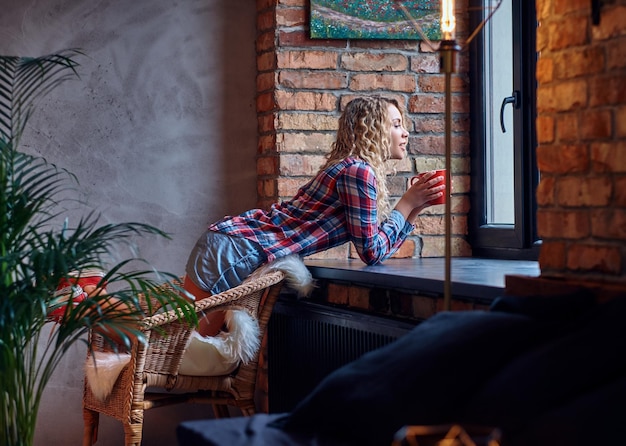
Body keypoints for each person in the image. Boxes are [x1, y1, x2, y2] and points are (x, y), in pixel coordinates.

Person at [184, 96, 445, 337]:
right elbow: (371, 252)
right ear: (372, 129)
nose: (406, 132)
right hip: (235, 249)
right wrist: (407, 202)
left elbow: (378, 248)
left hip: (232, 244)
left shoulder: (353, 167)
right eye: (396, 124)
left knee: (193, 351)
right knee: (188, 348)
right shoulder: (358, 171)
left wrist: (416, 207)